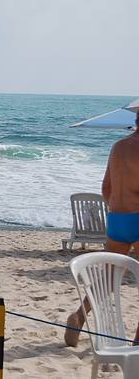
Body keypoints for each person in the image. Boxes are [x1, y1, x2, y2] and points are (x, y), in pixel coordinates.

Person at [64, 111, 139, 347]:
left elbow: (106, 188)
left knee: (107, 278)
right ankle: (137, 343)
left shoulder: (119, 147)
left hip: (117, 218)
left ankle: (79, 316)